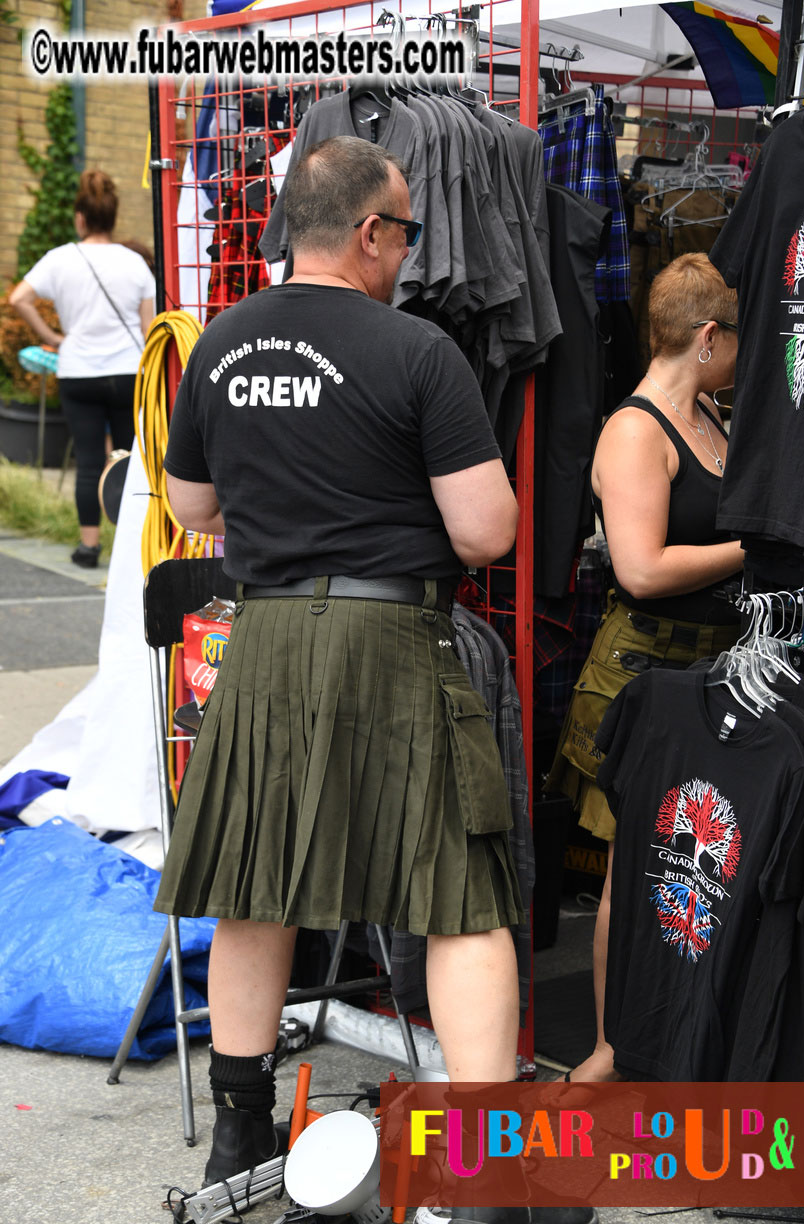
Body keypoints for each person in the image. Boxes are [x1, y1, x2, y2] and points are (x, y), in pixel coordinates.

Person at [152, 137, 592, 1224]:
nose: (407, 254)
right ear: (367, 232)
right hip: (391, 638)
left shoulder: (221, 341)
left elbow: (192, 506)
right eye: (404, 234)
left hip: (264, 642)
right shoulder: (416, 350)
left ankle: (240, 1137)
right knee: (460, 902)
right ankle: (486, 1180)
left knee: (254, 886)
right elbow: (487, 532)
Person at [546, 252, 744, 1084]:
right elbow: (642, 568)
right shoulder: (636, 431)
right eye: (735, 341)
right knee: (634, 872)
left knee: (697, 862)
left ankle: (682, 1039)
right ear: (708, 336)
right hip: (642, 675)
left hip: (713, 669)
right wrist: (753, 547)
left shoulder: (709, 414)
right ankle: (608, 1050)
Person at [10, 170, 155, 568]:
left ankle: (89, 548)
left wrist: (54, 337)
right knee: (129, 460)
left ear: (80, 217)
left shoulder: (59, 259)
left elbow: (19, 298)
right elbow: (149, 329)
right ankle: (130, 548)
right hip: (128, 372)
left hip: (78, 371)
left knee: (90, 461)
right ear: (113, 215)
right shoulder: (134, 263)